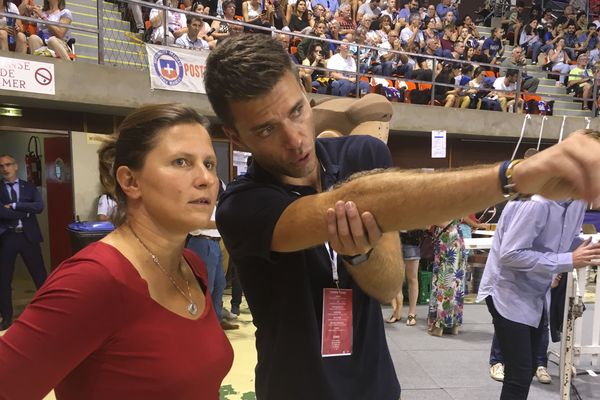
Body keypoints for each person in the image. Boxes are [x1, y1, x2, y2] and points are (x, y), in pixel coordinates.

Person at [203, 33, 600, 400]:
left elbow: (387, 283)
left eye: (296, 111)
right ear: (235, 137)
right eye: (267, 130)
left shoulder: (361, 155)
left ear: (307, 95)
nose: (294, 139)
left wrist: (359, 255)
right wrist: (513, 176)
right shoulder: (242, 206)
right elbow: (353, 200)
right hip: (296, 389)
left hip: (376, 385)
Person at [0, 105, 233, 398]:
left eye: (209, 164)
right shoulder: (92, 280)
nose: (206, 179)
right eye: (181, 162)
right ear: (130, 181)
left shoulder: (192, 265)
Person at [476, 195, 600, 399]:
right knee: (519, 374)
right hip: (507, 292)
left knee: (528, 369)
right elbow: (509, 254)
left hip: (537, 292)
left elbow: (564, 241)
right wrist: (567, 260)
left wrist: (587, 250)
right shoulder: (536, 203)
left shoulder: (577, 203)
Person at [0, 154, 47, 331]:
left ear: (16, 166)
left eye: (8, 164)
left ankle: (47, 313)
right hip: (7, 237)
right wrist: (26, 212)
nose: (5, 169)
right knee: (4, 279)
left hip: (29, 237)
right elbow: (1, 213)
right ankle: (6, 317)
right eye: (1, 166)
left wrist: (13, 206)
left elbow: (39, 207)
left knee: (40, 277)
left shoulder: (29, 187)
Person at [427, 220, 467, 336]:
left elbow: (442, 222)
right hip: (458, 235)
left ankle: (438, 326)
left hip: (447, 237)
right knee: (456, 282)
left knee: (444, 280)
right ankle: (453, 325)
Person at [386, 229, 423, 326]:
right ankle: (397, 312)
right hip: (395, 241)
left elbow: (425, 225)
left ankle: (412, 313)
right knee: (396, 278)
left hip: (413, 241)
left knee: (412, 278)